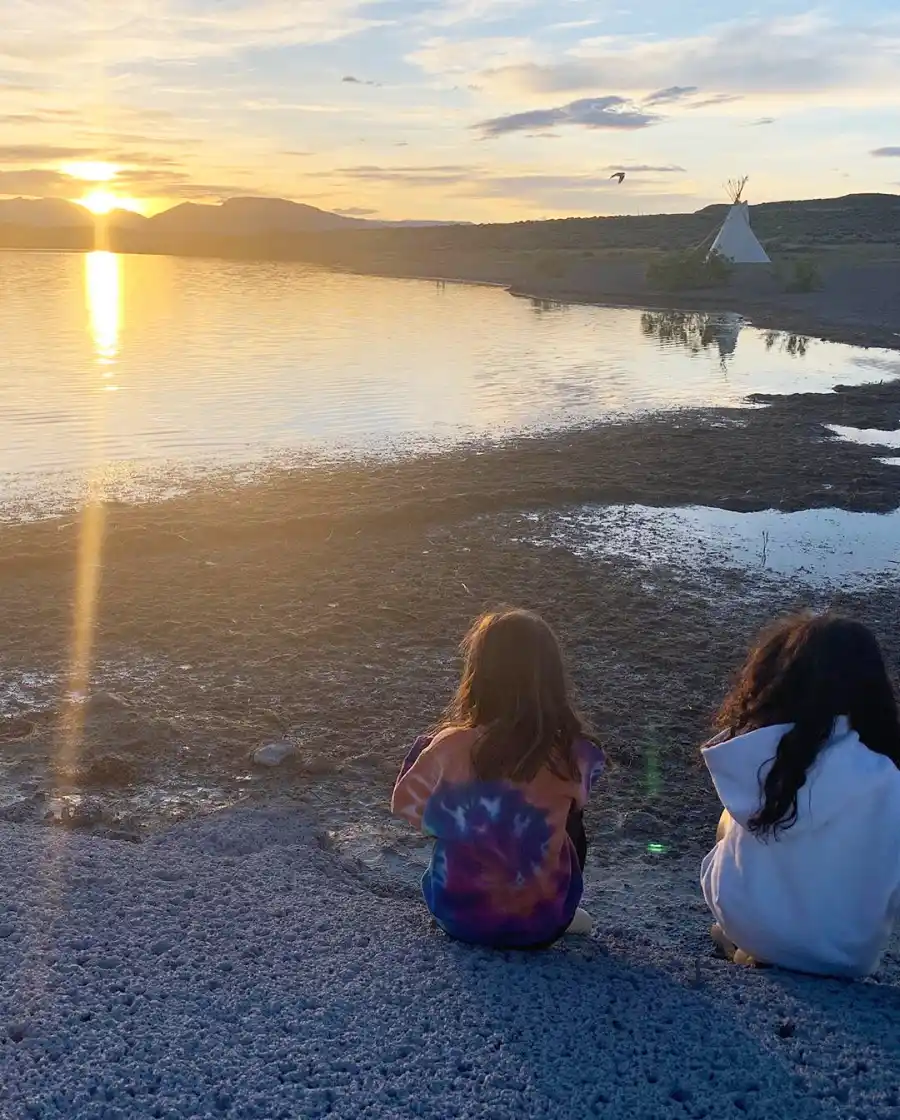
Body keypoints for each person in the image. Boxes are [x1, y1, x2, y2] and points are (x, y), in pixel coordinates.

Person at [700, 612, 900, 977]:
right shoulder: (888, 776)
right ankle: (765, 945)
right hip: (847, 956)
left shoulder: (762, 754)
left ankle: (750, 944)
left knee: (732, 818)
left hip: (749, 925)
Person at [391, 608, 604, 949]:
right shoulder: (577, 753)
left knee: (440, 775)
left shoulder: (452, 744)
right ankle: (558, 904)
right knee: (571, 814)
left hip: (457, 917)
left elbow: (406, 807)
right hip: (542, 925)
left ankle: (472, 888)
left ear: (478, 675)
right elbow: (576, 809)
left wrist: (455, 811)